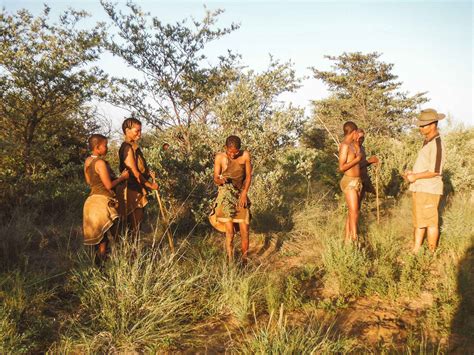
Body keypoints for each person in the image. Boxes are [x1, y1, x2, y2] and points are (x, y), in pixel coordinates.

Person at [403, 108, 445, 253]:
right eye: (420, 125)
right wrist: (412, 173)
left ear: (433, 124)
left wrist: (415, 176)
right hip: (420, 188)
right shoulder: (427, 141)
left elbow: (435, 171)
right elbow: (426, 166)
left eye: (423, 125)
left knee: (431, 222)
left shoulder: (437, 144)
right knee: (419, 220)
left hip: (429, 189)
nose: (420, 128)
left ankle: (432, 254)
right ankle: (416, 249)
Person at [83, 134, 129, 263]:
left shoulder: (88, 161)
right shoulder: (100, 163)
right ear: (97, 147)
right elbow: (108, 185)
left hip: (90, 202)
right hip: (102, 202)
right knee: (109, 239)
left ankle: (98, 270)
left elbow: (88, 181)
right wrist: (122, 177)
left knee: (99, 240)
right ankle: (110, 267)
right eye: (105, 146)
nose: (107, 148)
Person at [210, 135, 252, 264]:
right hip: (226, 195)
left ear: (239, 150)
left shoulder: (245, 155)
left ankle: (244, 260)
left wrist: (244, 193)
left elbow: (248, 177)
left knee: (245, 231)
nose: (232, 155)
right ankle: (230, 262)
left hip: (240, 195)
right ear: (225, 148)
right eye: (230, 152)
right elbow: (215, 178)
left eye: (235, 152)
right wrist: (220, 180)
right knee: (230, 232)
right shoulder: (220, 157)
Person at [116, 117, 158, 232]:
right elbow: (134, 173)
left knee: (135, 225)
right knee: (134, 226)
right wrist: (151, 185)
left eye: (140, 130)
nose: (139, 134)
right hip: (132, 189)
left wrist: (148, 173)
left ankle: (131, 248)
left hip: (137, 187)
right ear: (127, 131)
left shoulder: (134, 147)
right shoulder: (127, 148)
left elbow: (140, 168)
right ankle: (133, 249)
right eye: (136, 131)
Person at [338, 121, 363, 243]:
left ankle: (348, 240)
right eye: (356, 132)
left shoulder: (354, 144)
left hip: (357, 181)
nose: (357, 135)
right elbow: (342, 167)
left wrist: (358, 147)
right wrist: (357, 159)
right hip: (349, 182)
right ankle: (354, 240)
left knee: (353, 212)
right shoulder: (344, 145)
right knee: (354, 212)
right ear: (353, 132)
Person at [357, 129, 379, 208]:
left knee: (358, 204)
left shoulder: (362, 148)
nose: (360, 140)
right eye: (358, 137)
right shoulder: (352, 149)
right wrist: (369, 161)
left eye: (362, 138)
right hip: (356, 179)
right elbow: (354, 166)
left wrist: (372, 162)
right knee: (355, 206)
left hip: (364, 178)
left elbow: (363, 164)